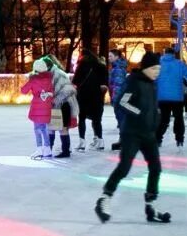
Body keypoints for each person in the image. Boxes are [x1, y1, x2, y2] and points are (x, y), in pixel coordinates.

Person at [96, 52, 170, 224]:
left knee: (156, 168)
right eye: (154, 68)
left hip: (149, 134)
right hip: (132, 132)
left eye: (159, 68)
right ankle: (104, 199)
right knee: (124, 167)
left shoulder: (152, 84)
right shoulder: (134, 82)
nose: (157, 72)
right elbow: (122, 102)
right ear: (146, 68)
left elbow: (152, 105)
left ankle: (150, 206)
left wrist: (155, 117)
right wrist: (140, 114)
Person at [154, 47, 187, 151]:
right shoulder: (180, 64)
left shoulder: (158, 64)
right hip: (177, 97)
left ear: (164, 53)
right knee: (178, 118)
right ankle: (180, 139)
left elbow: (153, 80)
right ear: (174, 54)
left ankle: (158, 139)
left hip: (162, 97)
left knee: (163, 119)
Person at [73, 49, 108, 152]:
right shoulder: (101, 66)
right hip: (97, 97)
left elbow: (76, 80)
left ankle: (82, 142)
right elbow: (105, 83)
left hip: (83, 96)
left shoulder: (82, 65)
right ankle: (100, 141)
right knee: (97, 119)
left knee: (82, 118)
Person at [21, 59, 55, 159]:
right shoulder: (50, 79)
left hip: (37, 107)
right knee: (44, 128)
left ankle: (39, 149)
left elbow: (23, 90)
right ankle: (47, 148)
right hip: (47, 106)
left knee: (37, 129)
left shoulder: (34, 79)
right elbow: (52, 92)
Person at [47, 56, 77, 158]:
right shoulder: (50, 74)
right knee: (51, 127)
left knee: (62, 128)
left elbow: (69, 89)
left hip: (63, 105)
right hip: (56, 105)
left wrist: (56, 100)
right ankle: (48, 149)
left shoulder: (58, 74)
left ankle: (65, 151)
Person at [107, 48, 128, 149]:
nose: (109, 58)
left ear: (116, 57)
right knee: (121, 119)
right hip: (118, 97)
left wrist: (116, 99)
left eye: (110, 56)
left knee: (121, 119)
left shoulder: (118, 69)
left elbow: (118, 85)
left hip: (119, 98)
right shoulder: (117, 67)